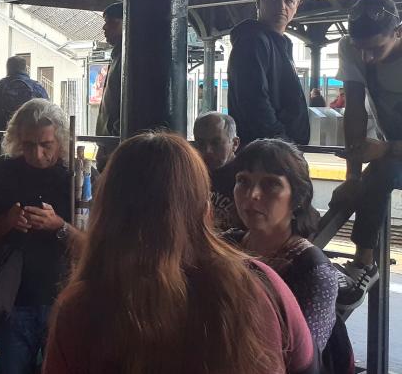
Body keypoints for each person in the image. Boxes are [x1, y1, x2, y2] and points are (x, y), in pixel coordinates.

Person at [42, 132, 316, 374]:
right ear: (204, 209)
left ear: (107, 211)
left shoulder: (80, 308)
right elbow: (306, 363)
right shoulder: (261, 284)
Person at [0, 98, 75, 374]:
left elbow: (93, 244)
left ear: (61, 141)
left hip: (62, 297)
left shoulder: (76, 177)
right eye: (29, 145)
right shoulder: (3, 170)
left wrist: (59, 226)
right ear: (18, 140)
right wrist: (6, 222)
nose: (37, 154)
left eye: (46, 145)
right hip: (14, 299)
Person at [226, 139, 340, 358]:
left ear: (298, 198)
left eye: (270, 184)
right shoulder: (226, 246)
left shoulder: (314, 272)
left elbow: (302, 361)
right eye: (243, 181)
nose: (252, 195)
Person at [329, 0, 402, 308]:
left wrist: (386, 148)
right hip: (392, 148)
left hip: (392, 149)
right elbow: (355, 111)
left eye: (376, 48)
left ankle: (365, 263)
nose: (367, 57)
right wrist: (352, 179)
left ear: (397, 31)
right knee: (378, 173)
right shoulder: (350, 48)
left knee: (382, 169)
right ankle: (365, 263)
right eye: (361, 47)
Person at [227, 0, 310, 146]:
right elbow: (254, 99)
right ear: (258, 2)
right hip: (268, 152)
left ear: (297, 5)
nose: (281, 7)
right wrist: (280, 142)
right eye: (273, 0)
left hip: (276, 148)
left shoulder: (282, 43)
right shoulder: (252, 40)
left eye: (289, 1)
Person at [193, 112, 243, 231]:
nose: (207, 150)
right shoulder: (191, 174)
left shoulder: (246, 178)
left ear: (235, 144)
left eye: (216, 143)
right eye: (200, 143)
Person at [0, 56, 49, 131]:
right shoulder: (38, 88)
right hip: (33, 137)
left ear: (8, 69)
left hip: (4, 139)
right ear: (25, 69)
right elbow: (48, 117)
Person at [95, 2, 123, 171]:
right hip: (109, 143)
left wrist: (115, 142)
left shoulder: (127, 58)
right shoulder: (117, 57)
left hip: (114, 145)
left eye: (111, 22)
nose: (104, 27)